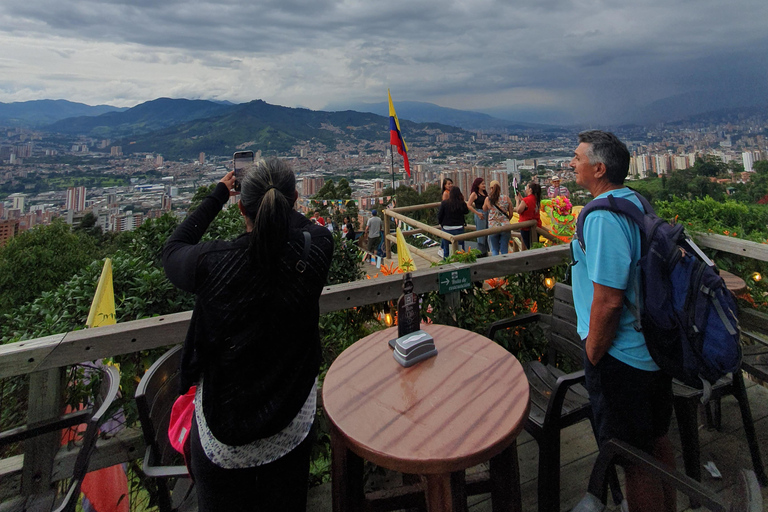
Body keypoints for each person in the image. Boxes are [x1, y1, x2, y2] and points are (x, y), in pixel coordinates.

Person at [162, 159, 333, 512]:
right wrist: (281, 200)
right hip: (291, 424)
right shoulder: (316, 249)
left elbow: (173, 248)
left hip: (224, 437)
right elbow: (305, 227)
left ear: (242, 207)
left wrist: (219, 194)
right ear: (295, 200)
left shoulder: (212, 262)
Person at [569, 130, 675, 512]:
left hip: (622, 357)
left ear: (598, 168)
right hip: (651, 348)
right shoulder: (636, 202)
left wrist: (594, 352)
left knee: (633, 460)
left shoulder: (601, 216)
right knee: (658, 441)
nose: (572, 163)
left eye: (578, 157)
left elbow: (610, 300)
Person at [437, 186, 468, 258]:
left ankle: (447, 266)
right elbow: (466, 211)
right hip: (459, 228)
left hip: (447, 229)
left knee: (446, 251)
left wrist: (441, 224)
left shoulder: (445, 203)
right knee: (461, 250)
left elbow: (439, 215)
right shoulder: (461, 203)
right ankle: (461, 265)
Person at [483, 180, 512, 256]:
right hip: (505, 226)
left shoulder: (488, 199)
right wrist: (506, 220)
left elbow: (484, 209)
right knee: (504, 249)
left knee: (494, 249)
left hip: (493, 226)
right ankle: (505, 265)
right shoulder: (506, 198)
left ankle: (495, 264)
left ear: (491, 188)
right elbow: (511, 213)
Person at [514, 181, 542, 250]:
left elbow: (518, 210)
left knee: (529, 247)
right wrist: (521, 198)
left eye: (526, 187)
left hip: (526, 227)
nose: (525, 189)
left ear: (530, 189)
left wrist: (517, 201)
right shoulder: (536, 199)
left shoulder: (526, 200)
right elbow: (528, 206)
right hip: (537, 226)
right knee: (535, 246)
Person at [466, 177, 488, 255]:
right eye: (482, 184)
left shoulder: (485, 193)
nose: (484, 185)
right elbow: (469, 205)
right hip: (480, 213)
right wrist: (477, 213)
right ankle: (481, 252)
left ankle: (486, 251)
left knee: (487, 233)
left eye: (484, 183)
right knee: (481, 234)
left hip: (487, 213)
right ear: (478, 185)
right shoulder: (474, 194)